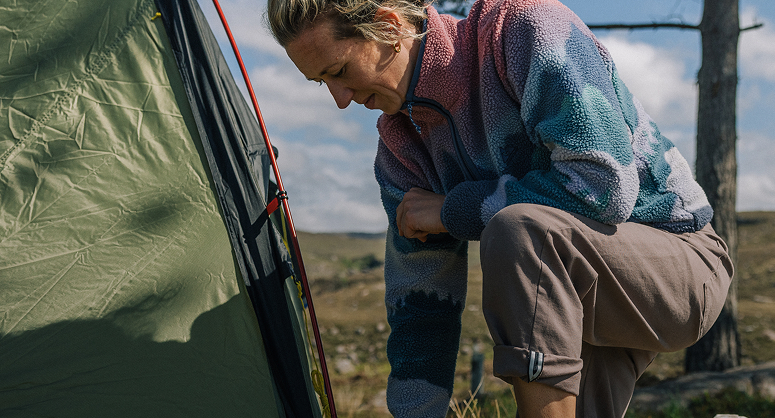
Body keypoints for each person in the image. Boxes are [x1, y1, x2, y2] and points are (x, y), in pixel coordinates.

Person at [266, 0, 734, 416]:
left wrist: (452, 210)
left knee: (518, 230)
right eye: (321, 82)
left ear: (389, 27)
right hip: (573, 292)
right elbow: (421, 303)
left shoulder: (524, 30)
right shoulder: (400, 147)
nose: (340, 101)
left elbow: (603, 184)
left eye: (340, 71)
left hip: (680, 264)